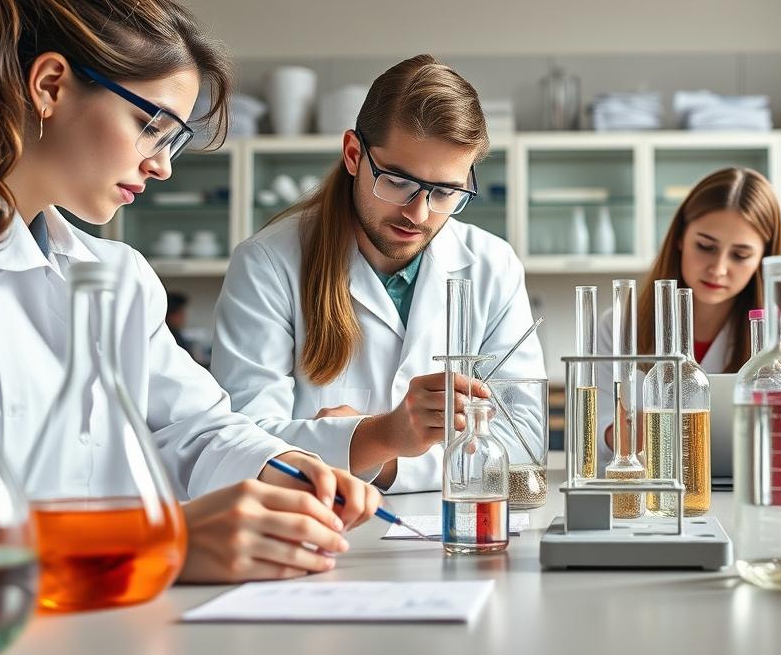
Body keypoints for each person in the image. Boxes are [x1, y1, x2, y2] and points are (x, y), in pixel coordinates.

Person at [0, 0, 379, 583]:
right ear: (50, 85)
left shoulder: (110, 277)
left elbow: (191, 429)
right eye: (150, 126)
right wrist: (162, 544)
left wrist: (285, 467)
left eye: (174, 141)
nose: (161, 165)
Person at [212, 55, 545, 494]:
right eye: (397, 181)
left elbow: (524, 443)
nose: (418, 213)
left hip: (450, 535)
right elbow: (244, 446)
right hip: (321, 534)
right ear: (354, 154)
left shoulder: (492, 264)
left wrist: (375, 456)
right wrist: (384, 436)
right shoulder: (267, 263)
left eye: (445, 191)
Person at [595, 167, 781, 459]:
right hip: (651, 496)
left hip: (748, 492)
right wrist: (626, 431)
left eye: (740, 255)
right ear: (680, 238)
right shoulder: (619, 325)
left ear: (763, 259)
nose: (719, 269)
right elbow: (597, 437)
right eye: (705, 246)